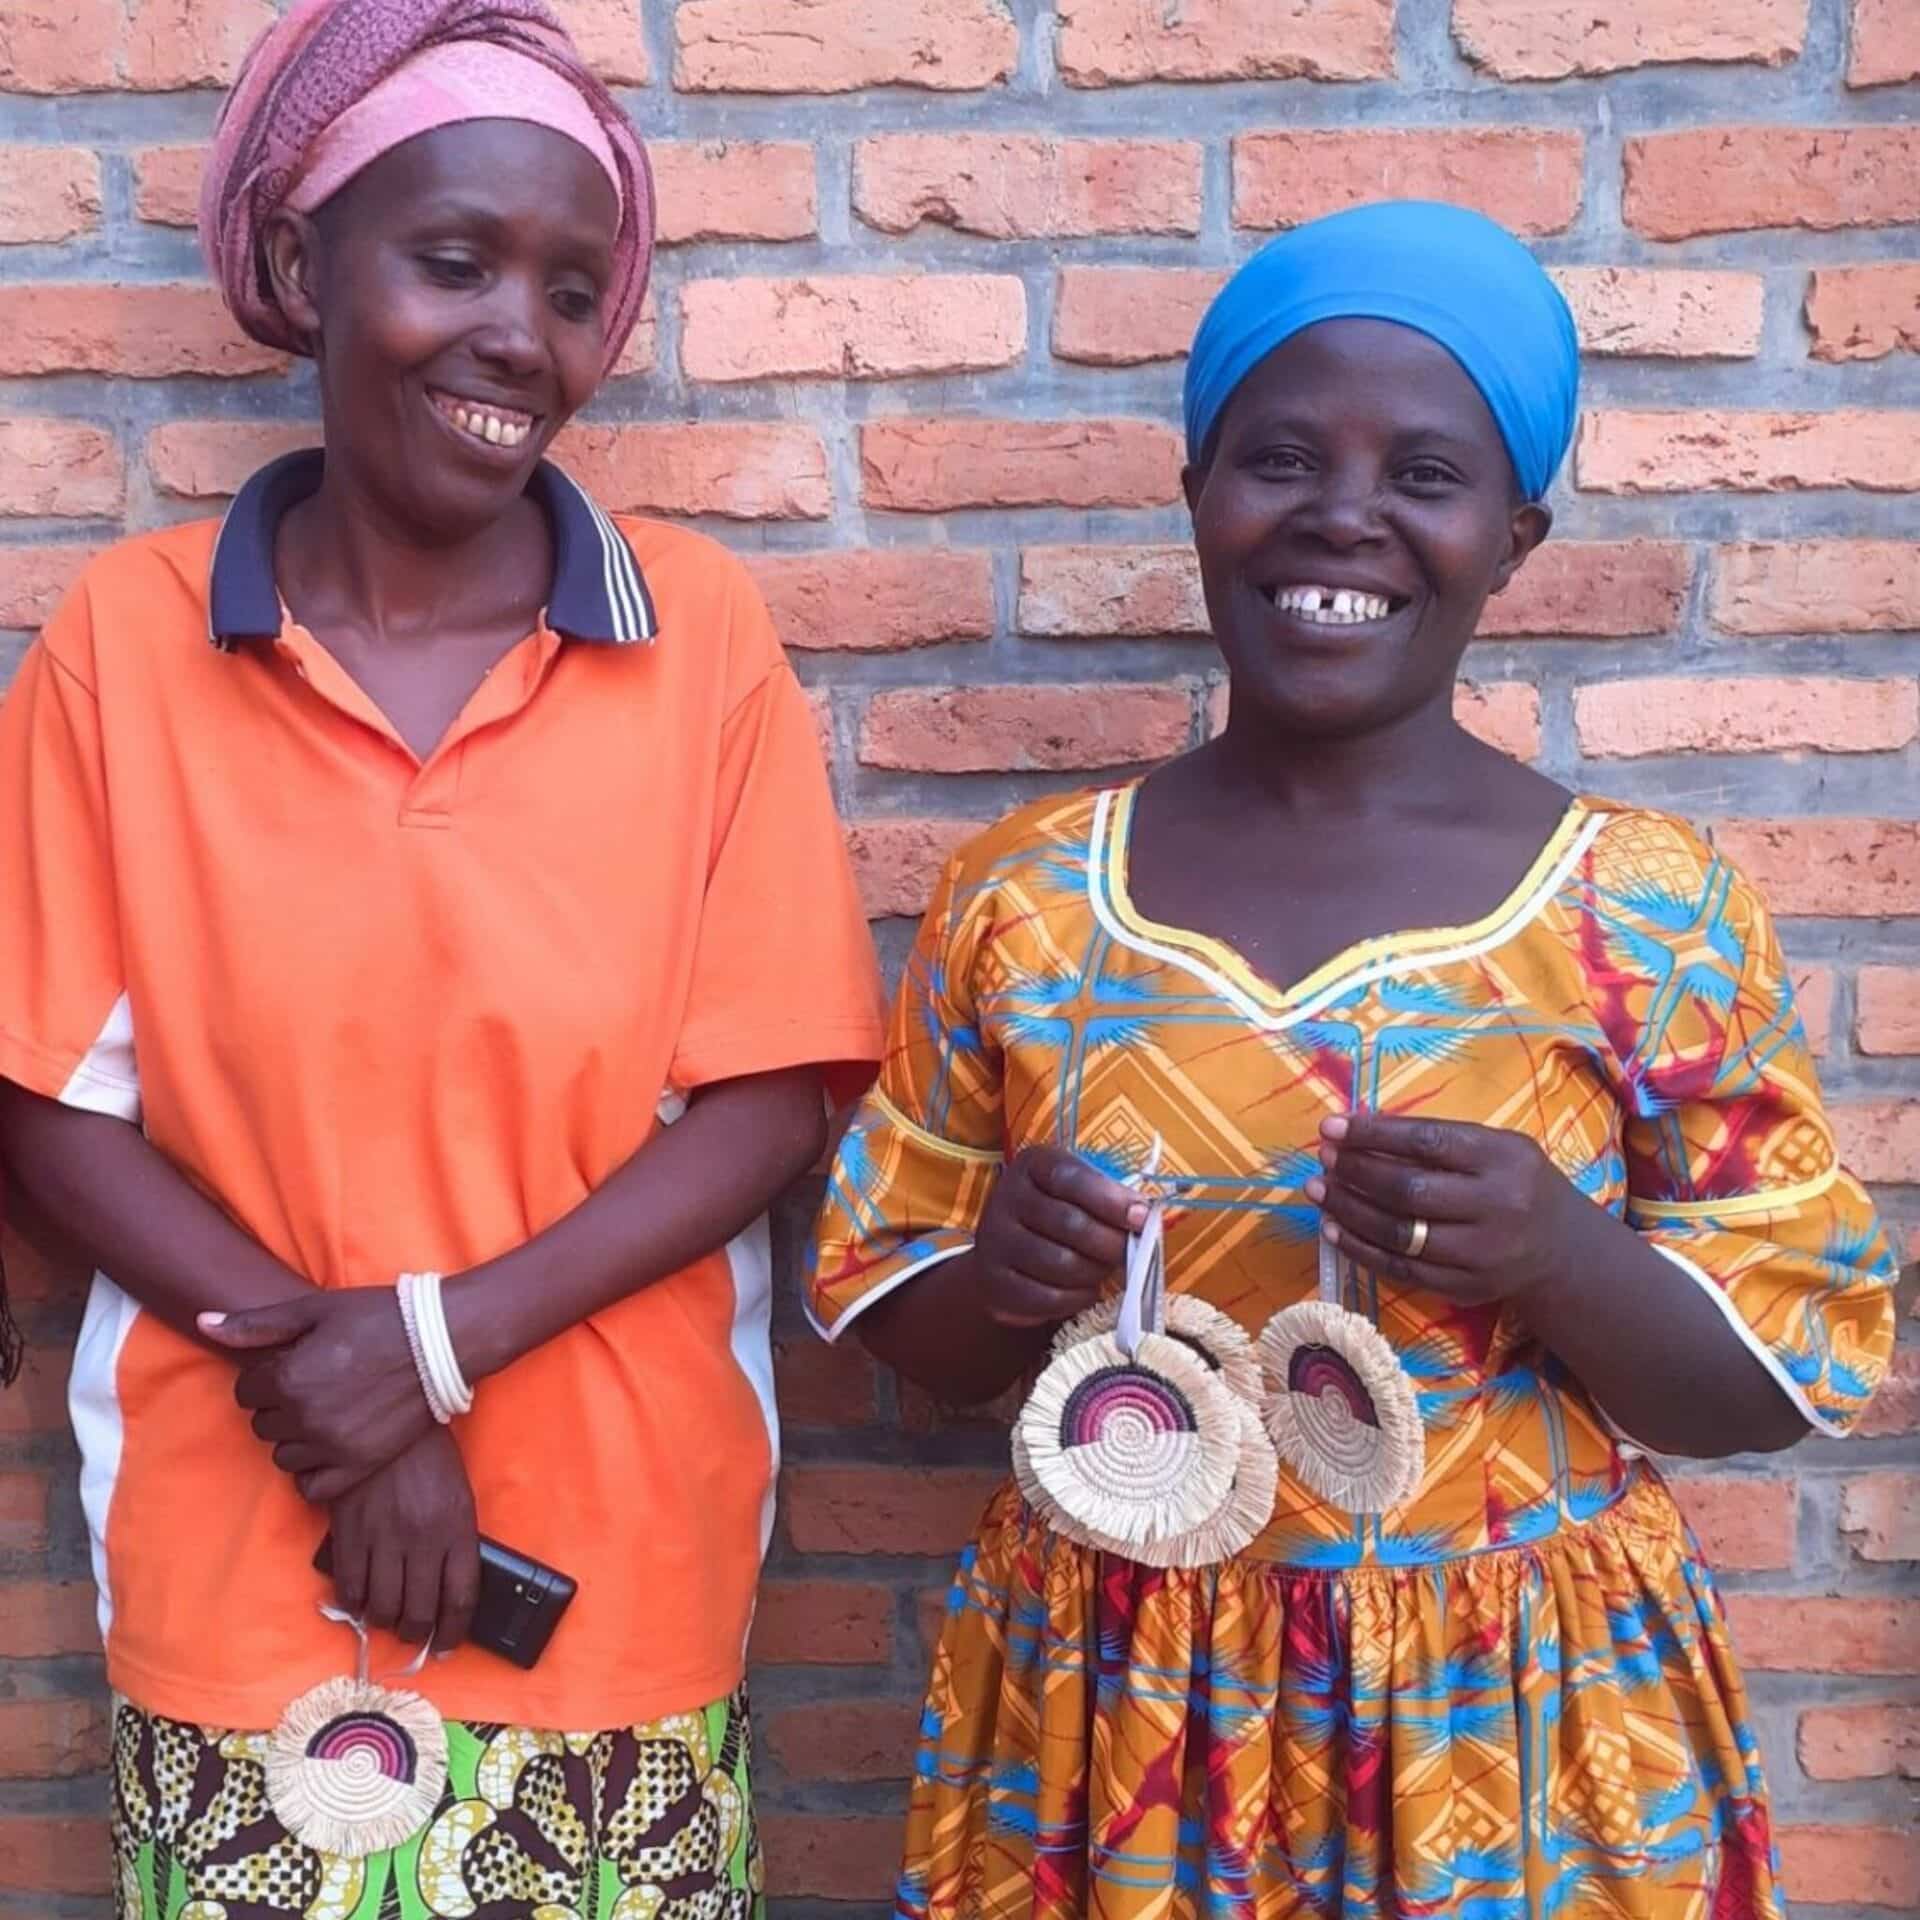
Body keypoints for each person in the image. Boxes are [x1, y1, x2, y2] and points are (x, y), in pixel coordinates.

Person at [809, 200, 1897, 1920]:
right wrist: (1005, 1279)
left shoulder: (1647, 908)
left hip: (1513, 1720)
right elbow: (897, 1310)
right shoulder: (1024, 898)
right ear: (1198, 495)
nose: (1343, 513)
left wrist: (1561, 1255)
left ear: (1514, 540)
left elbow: (1783, 1375)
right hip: (1126, 1713)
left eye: (1426, 476)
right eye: (1283, 457)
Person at [0, 2, 883, 1914]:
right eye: (456, 261)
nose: (520, 336)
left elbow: (769, 1099)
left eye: (571, 292)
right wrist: (350, 1425)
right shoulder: (127, 644)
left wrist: (421, 1355)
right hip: (241, 1559)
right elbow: (52, 1112)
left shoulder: (697, 641)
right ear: (303, 261)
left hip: (614, 1568)